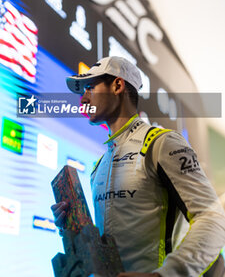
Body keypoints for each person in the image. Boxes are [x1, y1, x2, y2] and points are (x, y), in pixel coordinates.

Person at [51, 56, 225, 277]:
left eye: (89, 88)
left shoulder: (162, 142)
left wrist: (164, 275)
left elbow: (213, 218)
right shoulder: (99, 166)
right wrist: (70, 226)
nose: (83, 99)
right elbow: (114, 240)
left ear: (117, 85)